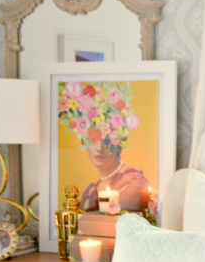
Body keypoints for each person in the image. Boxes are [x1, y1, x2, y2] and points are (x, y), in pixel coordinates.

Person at [58, 81, 149, 212]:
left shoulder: (134, 182)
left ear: (118, 144)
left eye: (106, 141)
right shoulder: (91, 191)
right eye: (93, 139)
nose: (99, 148)